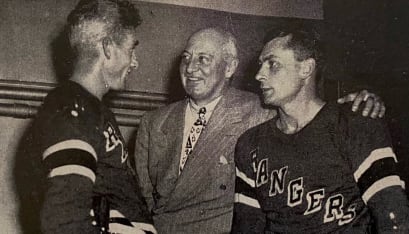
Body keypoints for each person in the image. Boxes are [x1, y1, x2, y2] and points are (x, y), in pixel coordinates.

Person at [134, 27, 386, 234]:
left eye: (203, 59)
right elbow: (144, 198)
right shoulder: (152, 123)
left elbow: (307, 111)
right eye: (186, 58)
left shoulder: (261, 111)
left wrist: (363, 100)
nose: (190, 68)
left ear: (230, 67)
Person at [232, 27, 409, 233]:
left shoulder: (354, 125)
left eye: (272, 64)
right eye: (260, 65)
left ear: (306, 69)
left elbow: (396, 221)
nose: (259, 75)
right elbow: (246, 227)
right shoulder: (250, 144)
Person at [25, 0, 156, 233]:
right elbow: (63, 220)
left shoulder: (93, 110)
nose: (134, 62)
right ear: (108, 48)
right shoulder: (72, 107)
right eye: (131, 49)